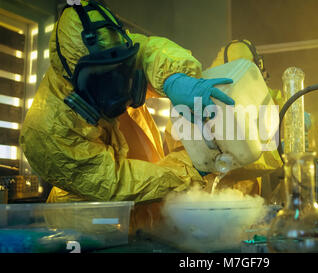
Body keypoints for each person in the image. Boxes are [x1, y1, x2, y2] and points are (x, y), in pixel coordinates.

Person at [19, 0, 234, 234]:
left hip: (147, 210)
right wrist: (187, 172)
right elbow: (113, 182)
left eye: (121, 68)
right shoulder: (46, 128)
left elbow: (151, 52)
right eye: (103, 75)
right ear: (71, 73)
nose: (117, 85)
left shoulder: (120, 50)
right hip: (86, 227)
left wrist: (174, 79)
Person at [165, 39, 286, 195]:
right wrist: (284, 144)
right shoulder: (192, 103)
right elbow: (245, 159)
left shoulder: (193, 98)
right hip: (203, 198)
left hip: (242, 199)